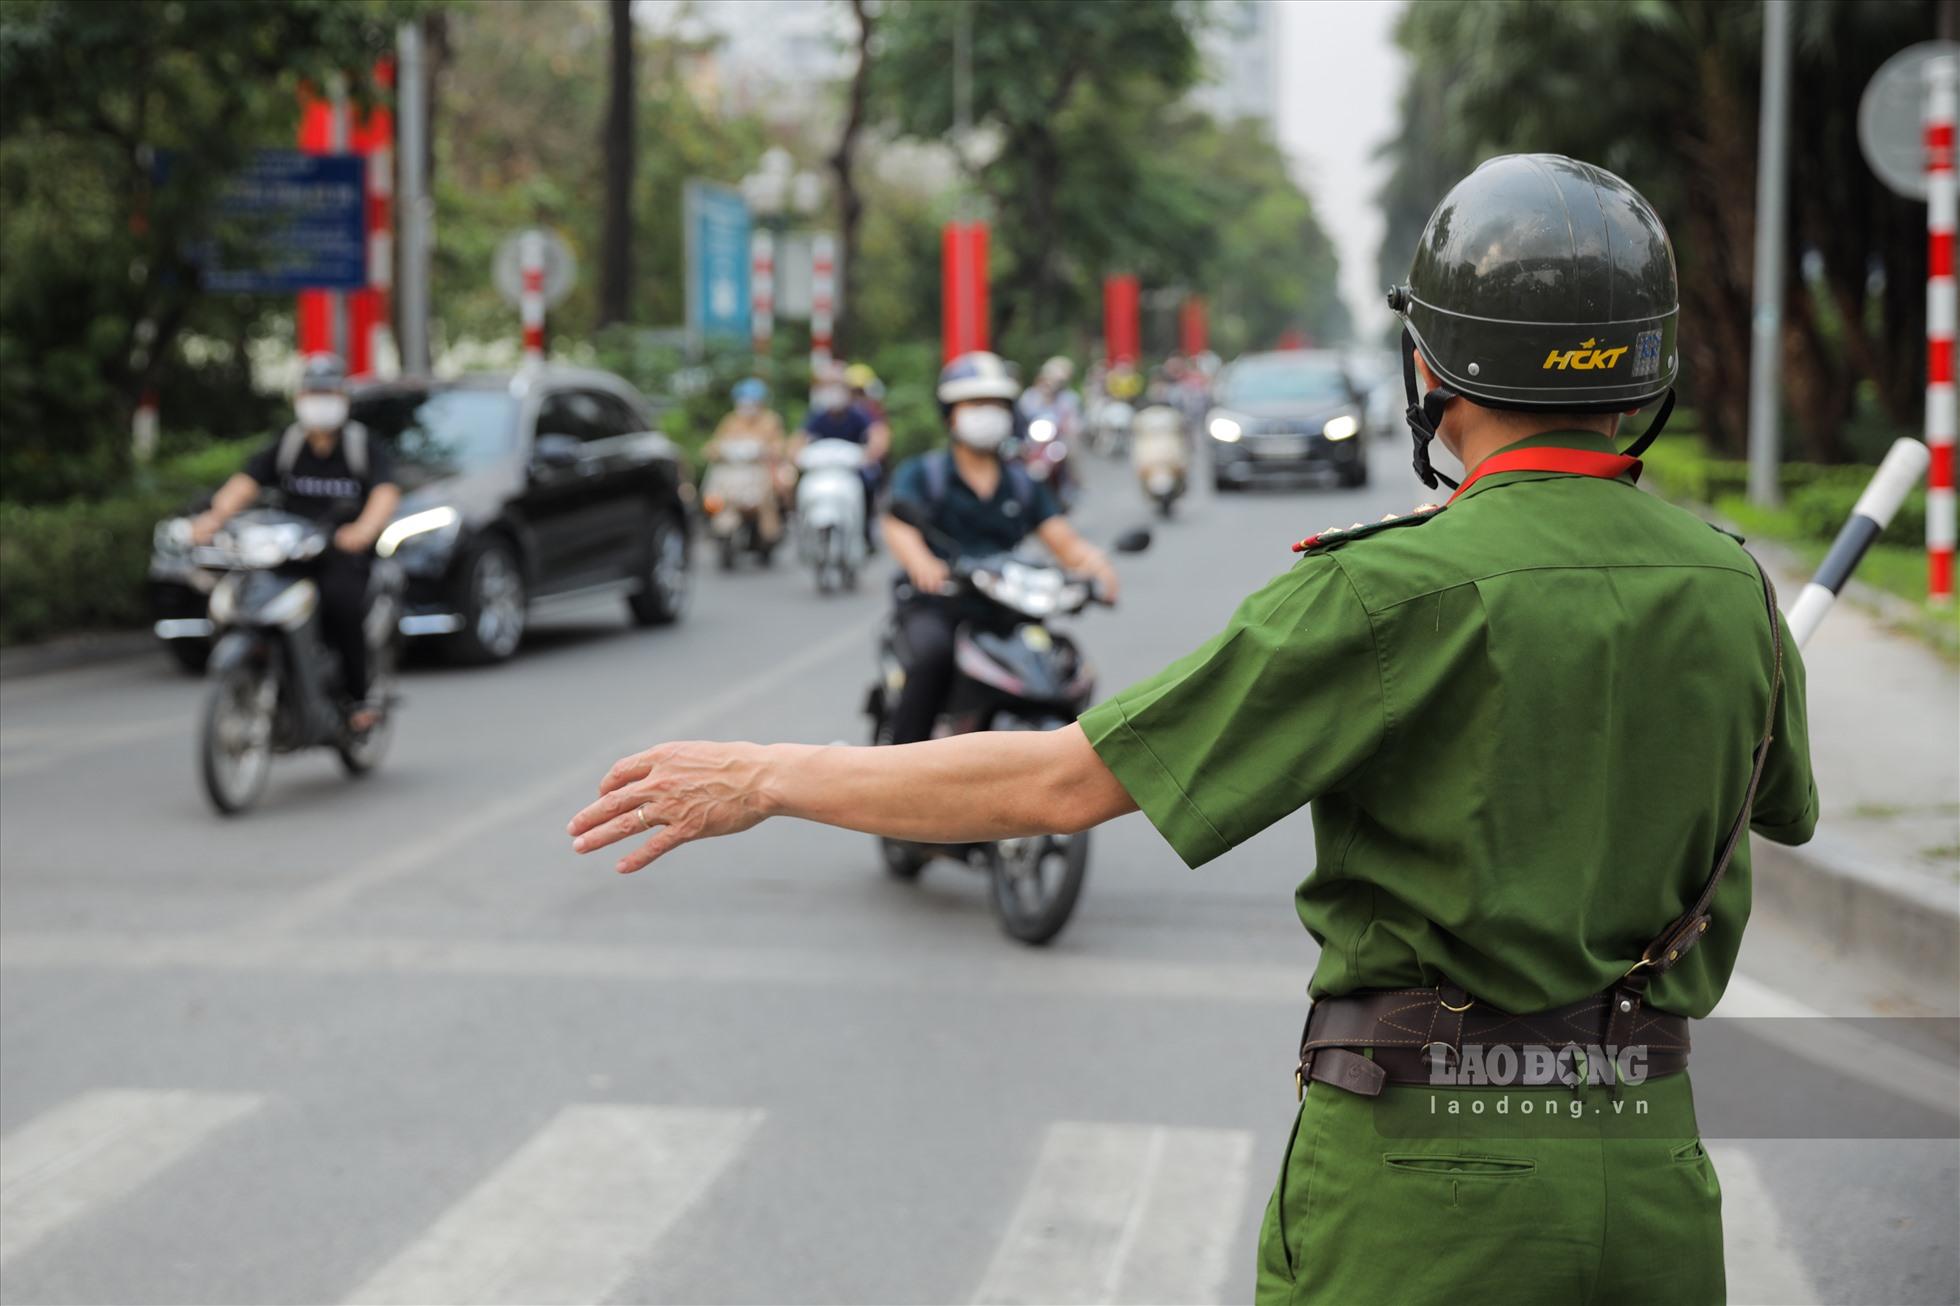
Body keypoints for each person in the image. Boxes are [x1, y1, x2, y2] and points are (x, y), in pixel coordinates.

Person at [565, 156, 1817, 1305]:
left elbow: (1060, 784)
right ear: (1642, 370)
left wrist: (770, 773)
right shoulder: (1732, 589)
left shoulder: (1385, 594)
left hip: (1429, 1186)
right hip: (1645, 1162)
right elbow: (1783, 806)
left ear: (1431, 370)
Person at [880, 350, 1118, 744]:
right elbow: (897, 524)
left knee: (1060, 667)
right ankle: (893, 777)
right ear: (950, 413)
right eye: (975, 404)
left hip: (1007, 608)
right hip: (938, 604)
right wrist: (922, 562)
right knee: (931, 658)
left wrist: (1096, 566)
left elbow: (1063, 540)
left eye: (995, 405)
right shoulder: (925, 474)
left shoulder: (1023, 482)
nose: (986, 413)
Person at [193, 353, 401, 731]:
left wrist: (363, 531)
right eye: (313, 391)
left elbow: (385, 492)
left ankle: (358, 697)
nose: (320, 400)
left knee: (341, 603)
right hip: (289, 551)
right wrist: (213, 518)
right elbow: (245, 484)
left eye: (328, 391)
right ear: (299, 398)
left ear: (343, 397)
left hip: (340, 554)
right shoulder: (288, 445)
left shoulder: (360, 446)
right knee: (244, 594)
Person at [794, 362, 891, 547]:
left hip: (851, 468)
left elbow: (877, 435)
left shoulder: (858, 414)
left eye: (836, 387)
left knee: (868, 481)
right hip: (823, 468)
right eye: (827, 387)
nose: (832, 393)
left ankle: (864, 531)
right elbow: (800, 438)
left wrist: (870, 454)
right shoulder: (818, 415)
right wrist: (796, 455)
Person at [703, 378, 790, 543]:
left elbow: (779, 446)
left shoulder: (770, 420)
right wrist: (718, 451)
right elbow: (713, 445)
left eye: (752, 401)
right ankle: (720, 528)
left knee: (775, 492)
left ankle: (772, 534)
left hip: (760, 471)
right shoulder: (731, 420)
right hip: (733, 473)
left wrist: (765, 451)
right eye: (743, 401)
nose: (747, 406)